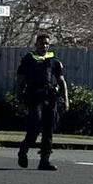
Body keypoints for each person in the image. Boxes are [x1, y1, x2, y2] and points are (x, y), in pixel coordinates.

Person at [15, 32, 69, 171]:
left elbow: (62, 82)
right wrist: (20, 101)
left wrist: (66, 100)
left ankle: (44, 161)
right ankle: (23, 152)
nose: (44, 46)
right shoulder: (28, 59)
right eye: (41, 43)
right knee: (34, 127)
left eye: (46, 43)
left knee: (48, 130)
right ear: (36, 45)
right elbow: (20, 82)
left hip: (50, 98)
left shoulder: (54, 61)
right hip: (34, 97)